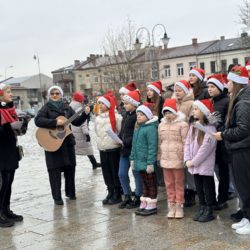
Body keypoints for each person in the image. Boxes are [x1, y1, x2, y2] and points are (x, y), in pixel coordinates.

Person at [35, 85, 90, 205]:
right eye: (53, 93)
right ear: (50, 95)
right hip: (52, 143)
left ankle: (71, 193)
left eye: (57, 93)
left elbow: (76, 122)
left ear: (61, 95)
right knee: (54, 171)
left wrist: (85, 114)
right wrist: (55, 122)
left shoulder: (67, 108)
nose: (55, 95)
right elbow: (38, 120)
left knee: (70, 168)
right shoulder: (46, 108)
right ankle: (57, 197)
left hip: (67, 143)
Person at [214, 66, 250, 234]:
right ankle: (247, 217)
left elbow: (243, 129)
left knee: (246, 187)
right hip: (239, 149)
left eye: (228, 81)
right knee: (243, 187)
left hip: (243, 150)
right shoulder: (240, 99)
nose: (226, 83)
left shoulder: (243, 103)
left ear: (236, 83)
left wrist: (224, 134)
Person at [0, 83, 29, 227]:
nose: (11, 94)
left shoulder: (8, 109)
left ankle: (6, 210)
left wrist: (23, 125)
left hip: (10, 151)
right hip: (1, 153)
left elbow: (19, 131)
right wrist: (8, 127)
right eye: (8, 92)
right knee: (2, 183)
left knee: (8, 182)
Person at [184, 99, 217, 222]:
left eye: (196, 109)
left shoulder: (210, 129)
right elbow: (187, 143)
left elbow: (206, 149)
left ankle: (209, 208)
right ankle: (202, 206)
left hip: (204, 165)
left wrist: (194, 161)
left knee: (207, 187)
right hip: (194, 164)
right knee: (199, 187)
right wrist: (187, 159)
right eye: (193, 109)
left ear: (204, 112)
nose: (193, 111)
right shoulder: (193, 127)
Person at [158, 99, 189, 219]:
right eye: (165, 113)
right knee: (169, 183)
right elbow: (159, 142)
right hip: (166, 159)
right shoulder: (161, 125)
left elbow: (186, 142)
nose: (167, 115)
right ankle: (171, 204)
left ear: (175, 112)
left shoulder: (183, 124)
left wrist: (185, 157)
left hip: (178, 158)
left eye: (169, 112)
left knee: (179, 183)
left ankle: (179, 205)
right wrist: (159, 157)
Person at [130, 102, 158, 216]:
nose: (139, 116)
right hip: (139, 162)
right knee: (144, 183)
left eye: (141, 114)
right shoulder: (137, 129)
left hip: (147, 163)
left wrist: (150, 163)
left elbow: (152, 146)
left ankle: (152, 203)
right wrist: (132, 159)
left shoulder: (151, 128)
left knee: (151, 183)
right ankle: (145, 200)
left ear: (147, 116)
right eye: (138, 114)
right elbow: (134, 146)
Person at [95, 93, 122, 205]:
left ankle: (117, 192)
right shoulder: (97, 118)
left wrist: (117, 141)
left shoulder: (117, 117)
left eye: (102, 103)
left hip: (114, 149)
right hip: (103, 148)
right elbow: (96, 132)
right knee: (106, 172)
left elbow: (120, 131)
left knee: (114, 171)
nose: (100, 105)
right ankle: (110, 190)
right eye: (99, 103)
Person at [207, 74, 229, 210]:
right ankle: (211, 198)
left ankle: (222, 198)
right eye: (208, 86)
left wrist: (219, 130)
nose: (209, 89)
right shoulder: (211, 102)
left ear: (220, 88)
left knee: (223, 172)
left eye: (212, 86)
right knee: (210, 170)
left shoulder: (227, 101)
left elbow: (227, 121)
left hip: (221, 141)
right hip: (210, 141)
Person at [118, 90, 142, 209]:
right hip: (124, 150)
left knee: (136, 173)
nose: (124, 105)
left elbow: (137, 135)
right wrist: (117, 138)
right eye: (124, 103)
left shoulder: (138, 116)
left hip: (133, 150)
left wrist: (125, 141)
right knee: (122, 173)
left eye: (127, 103)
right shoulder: (125, 115)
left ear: (134, 104)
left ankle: (138, 196)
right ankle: (127, 195)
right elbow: (123, 132)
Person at [69, 92, 101, 170]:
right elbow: (83, 123)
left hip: (72, 132)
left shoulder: (69, 107)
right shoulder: (80, 109)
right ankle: (94, 163)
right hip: (80, 133)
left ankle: (67, 166)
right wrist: (86, 134)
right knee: (88, 149)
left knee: (72, 150)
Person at [146, 80, 164, 187]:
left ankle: (161, 181)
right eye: (147, 90)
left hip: (158, 133)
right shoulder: (148, 104)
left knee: (158, 157)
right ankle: (157, 179)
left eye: (151, 90)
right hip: (150, 134)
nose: (148, 92)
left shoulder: (161, 103)